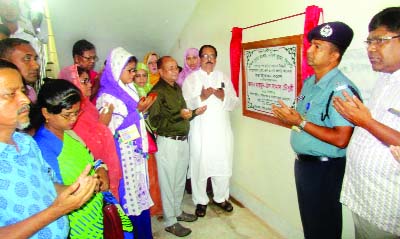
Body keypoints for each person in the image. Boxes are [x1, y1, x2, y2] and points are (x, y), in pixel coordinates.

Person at [271, 22, 359, 239]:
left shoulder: (341, 90)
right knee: (311, 224)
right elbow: (299, 114)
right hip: (305, 166)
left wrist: (299, 121)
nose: (309, 50)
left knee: (324, 227)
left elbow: (341, 139)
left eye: (318, 46)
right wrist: (288, 118)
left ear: (334, 56)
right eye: (311, 45)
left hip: (325, 170)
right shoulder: (310, 83)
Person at [0, 59, 98, 239]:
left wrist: (75, 190)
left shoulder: (25, 143)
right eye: (10, 94)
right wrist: (57, 210)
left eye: (22, 91)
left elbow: (46, 185)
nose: (25, 99)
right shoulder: (40, 142)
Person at [332, 7, 400, 238]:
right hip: (364, 198)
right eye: (369, 41)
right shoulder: (385, 78)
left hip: (388, 208)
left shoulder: (342, 83)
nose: (371, 49)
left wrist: (364, 121)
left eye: (380, 40)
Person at [32, 79, 105, 238]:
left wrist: (101, 169)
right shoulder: (43, 147)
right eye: (67, 115)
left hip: (92, 212)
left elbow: (90, 159)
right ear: (46, 113)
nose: (73, 119)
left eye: (76, 113)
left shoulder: (69, 133)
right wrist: (91, 186)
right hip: (75, 220)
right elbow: (53, 192)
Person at [96, 47, 156, 239]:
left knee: (140, 190)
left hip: (135, 152)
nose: (133, 74)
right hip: (122, 153)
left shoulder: (129, 88)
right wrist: (137, 112)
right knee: (128, 194)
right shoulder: (107, 97)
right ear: (116, 69)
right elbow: (109, 130)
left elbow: (136, 117)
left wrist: (141, 112)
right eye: (129, 70)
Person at [148, 56, 205, 237]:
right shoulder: (157, 92)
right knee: (168, 183)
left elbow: (183, 114)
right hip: (167, 142)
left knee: (179, 180)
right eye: (170, 68)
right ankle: (170, 221)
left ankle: (177, 212)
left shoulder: (177, 88)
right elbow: (155, 121)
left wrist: (194, 112)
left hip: (182, 140)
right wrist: (180, 116)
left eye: (176, 68)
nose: (174, 71)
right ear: (161, 71)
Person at [182, 45, 239, 218]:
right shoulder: (191, 79)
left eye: (212, 55)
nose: (208, 59)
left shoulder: (223, 77)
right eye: (205, 55)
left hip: (221, 130)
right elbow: (185, 106)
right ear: (199, 59)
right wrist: (202, 97)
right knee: (200, 165)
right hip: (200, 131)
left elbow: (235, 102)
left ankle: (221, 198)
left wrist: (223, 97)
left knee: (222, 163)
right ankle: (201, 201)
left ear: (216, 59)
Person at [58, 64, 122, 200]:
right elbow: (86, 145)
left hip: (102, 166)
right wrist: (103, 123)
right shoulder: (72, 113)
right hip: (90, 171)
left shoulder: (87, 106)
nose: (89, 85)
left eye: (89, 80)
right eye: (84, 81)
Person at [133, 62, 163, 216]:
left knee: (153, 171)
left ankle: (155, 205)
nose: (141, 79)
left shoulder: (152, 90)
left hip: (153, 133)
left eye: (144, 75)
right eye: (137, 75)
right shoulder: (131, 92)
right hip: (139, 138)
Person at [0, 38, 39, 103]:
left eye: (35, 59)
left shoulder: (30, 91)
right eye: (27, 58)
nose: (36, 66)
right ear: (5, 61)